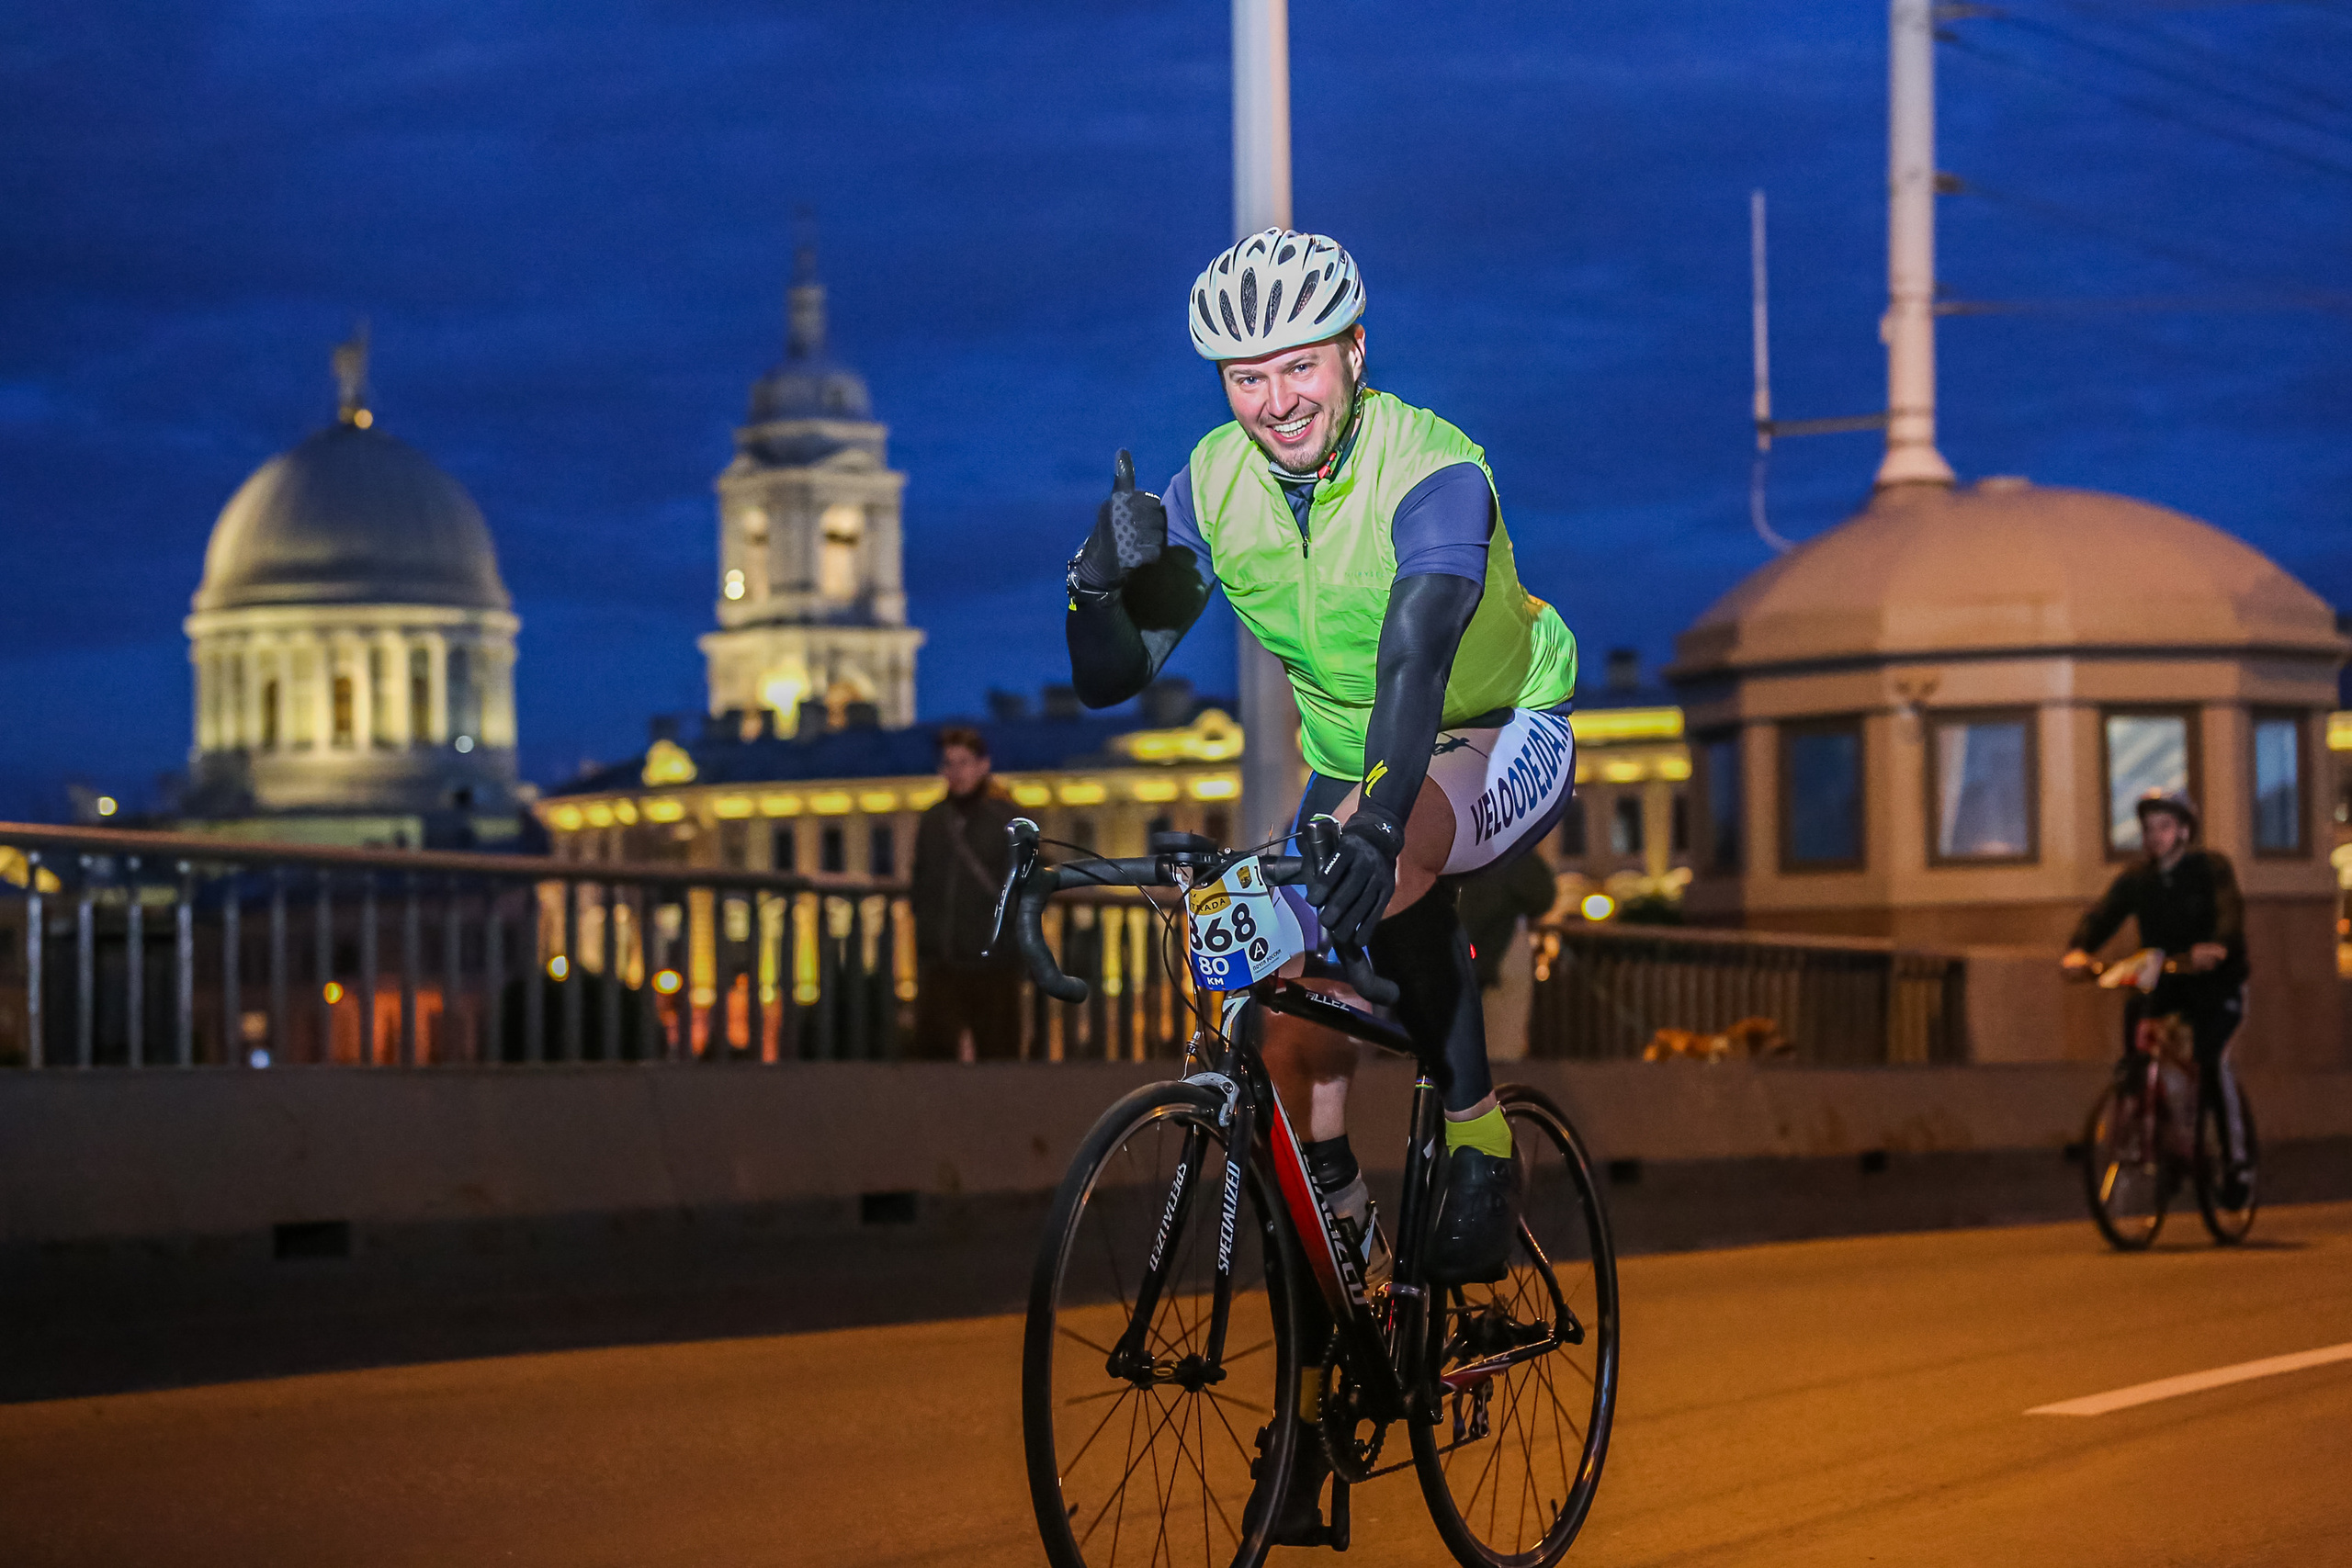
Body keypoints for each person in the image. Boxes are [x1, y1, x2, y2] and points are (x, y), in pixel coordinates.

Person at [1063, 228, 1578, 1541]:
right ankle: (1330, 1275)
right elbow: (1114, 675)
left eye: (1299, 363)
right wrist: (1097, 580)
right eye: (1245, 376)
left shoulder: (1435, 465)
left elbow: (1417, 651)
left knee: (1390, 858)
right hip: (1350, 759)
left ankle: (1474, 1133)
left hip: (1495, 719)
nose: (1276, 397)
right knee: (1273, 1007)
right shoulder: (1217, 483)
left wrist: (1383, 811)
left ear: (1354, 352)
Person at [2061, 789, 2252, 1199]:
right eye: (2148, 829)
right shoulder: (2137, 879)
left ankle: (2237, 1163)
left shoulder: (2210, 868)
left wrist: (2217, 946)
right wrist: (2080, 949)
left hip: (2215, 987)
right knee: (2138, 1031)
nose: (2154, 837)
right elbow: (2103, 914)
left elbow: (2230, 912)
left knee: (2211, 1061)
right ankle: (2150, 1126)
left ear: (2184, 831)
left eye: (2164, 827)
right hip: (2166, 982)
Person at [909, 727, 1023, 1061]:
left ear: (983, 765)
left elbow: (1027, 881)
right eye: (948, 763)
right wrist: (927, 935)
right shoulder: (933, 820)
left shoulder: (1008, 820)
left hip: (994, 964)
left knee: (999, 1059)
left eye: (963, 762)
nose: (955, 772)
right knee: (932, 1062)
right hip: (942, 962)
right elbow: (922, 882)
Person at [1459, 846, 1560, 1061]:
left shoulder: (1455, 846)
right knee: (1501, 1047)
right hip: (1499, 953)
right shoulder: (1509, 850)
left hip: (1455, 959)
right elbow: (1542, 894)